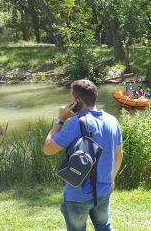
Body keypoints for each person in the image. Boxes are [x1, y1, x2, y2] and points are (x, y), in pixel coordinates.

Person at [43, 79, 123, 231]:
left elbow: (48, 149)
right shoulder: (113, 121)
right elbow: (119, 155)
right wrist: (111, 180)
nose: (69, 103)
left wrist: (60, 120)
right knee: (104, 227)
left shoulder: (77, 122)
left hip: (77, 195)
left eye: (71, 99)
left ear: (78, 101)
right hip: (104, 190)